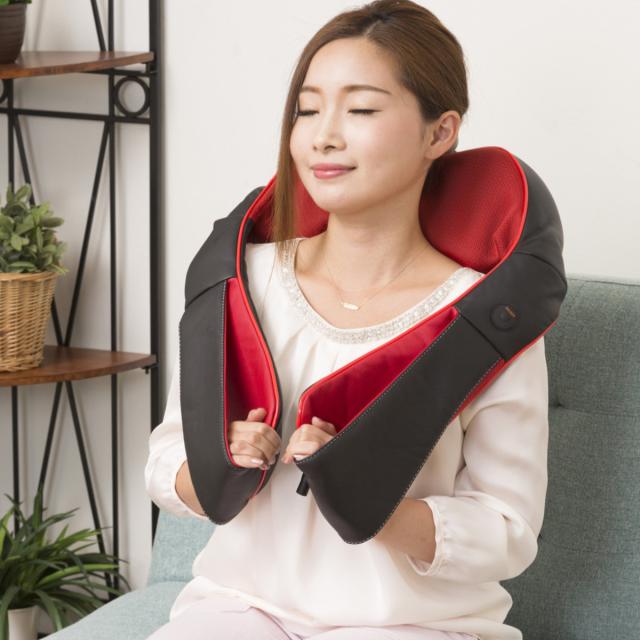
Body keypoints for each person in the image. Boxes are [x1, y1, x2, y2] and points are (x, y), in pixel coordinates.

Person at [144, 1, 549, 638]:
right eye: (307, 110)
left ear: (439, 134)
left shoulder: (485, 318)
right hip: (241, 607)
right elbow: (168, 459)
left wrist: (369, 498)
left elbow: (508, 529)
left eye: (360, 110)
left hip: (413, 625)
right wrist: (222, 466)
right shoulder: (243, 281)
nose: (323, 136)